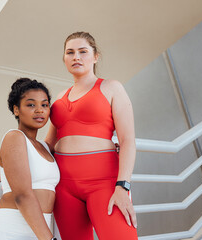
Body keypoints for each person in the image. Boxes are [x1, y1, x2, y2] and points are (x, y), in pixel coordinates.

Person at [45, 31, 138, 240]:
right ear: (64, 59)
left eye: (82, 51)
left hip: (104, 181)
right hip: (64, 185)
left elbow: (127, 142)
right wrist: (14, 167)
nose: (76, 57)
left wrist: (123, 186)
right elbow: (48, 145)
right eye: (70, 52)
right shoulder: (60, 97)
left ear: (95, 57)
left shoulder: (111, 87)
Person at [0, 78, 60, 240]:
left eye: (44, 105)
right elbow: (22, 195)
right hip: (12, 230)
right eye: (31, 105)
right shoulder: (14, 137)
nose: (39, 110)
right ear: (16, 110)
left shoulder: (45, 147)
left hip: (40, 230)